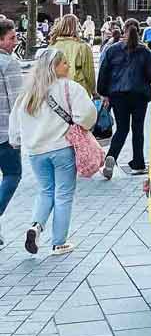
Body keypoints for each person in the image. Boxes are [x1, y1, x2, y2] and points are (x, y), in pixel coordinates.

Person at [8, 45, 96, 256]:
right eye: (64, 63)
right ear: (54, 67)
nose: (67, 66)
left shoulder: (28, 93)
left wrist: (17, 141)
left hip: (36, 152)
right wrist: (79, 125)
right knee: (63, 194)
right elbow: (86, 114)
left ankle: (36, 226)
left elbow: (15, 123)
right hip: (62, 148)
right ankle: (58, 243)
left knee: (45, 190)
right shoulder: (70, 88)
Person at [96, 18, 151, 178]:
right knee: (138, 129)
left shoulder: (112, 50)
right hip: (139, 95)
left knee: (122, 129)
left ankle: (111, 157)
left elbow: (103, 73)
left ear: (124, 30)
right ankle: (138, 163)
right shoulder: (145, 52)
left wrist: (103, 92)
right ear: (138, 31)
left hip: (118, 95)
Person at [0, 18, 24, 247]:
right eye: (12, 38)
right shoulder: (9, 64)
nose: (15, 41)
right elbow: (18, 103)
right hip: (4, 133)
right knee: (13, 174)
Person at [48, 15, 97, 99]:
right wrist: (94, 91)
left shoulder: (52, 46)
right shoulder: (83, 47)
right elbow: (89, 73)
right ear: (76, 27)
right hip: (79, 90)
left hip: (57, 90)